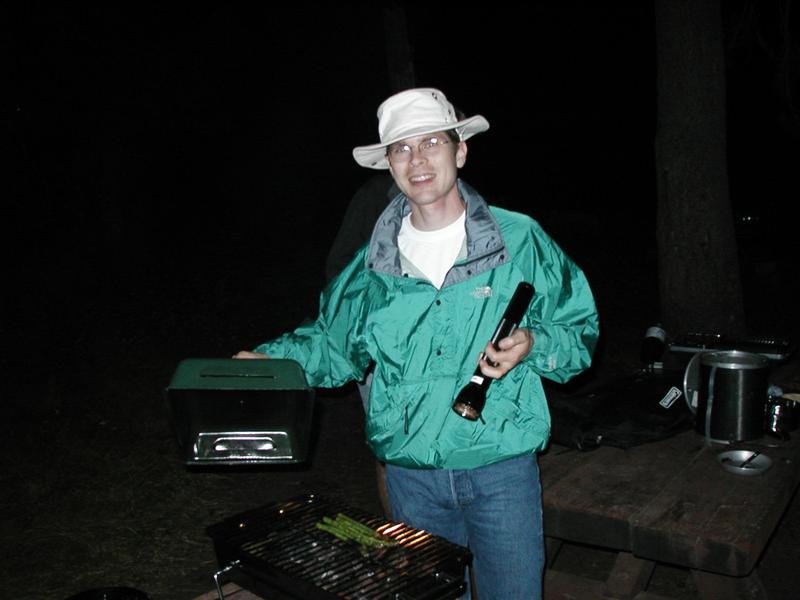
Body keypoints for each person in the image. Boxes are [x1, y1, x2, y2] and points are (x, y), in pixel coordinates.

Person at [235, 87, 599, 599]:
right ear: (389, 163)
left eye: (431, 141)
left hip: (502, 471)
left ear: (460, 150)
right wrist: (271, 361)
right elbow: (332, 347)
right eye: (402, 148)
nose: (418, 158)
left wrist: (534, 342)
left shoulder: (519, 240)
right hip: (413, 479)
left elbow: (580, 334)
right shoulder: (371, 264)